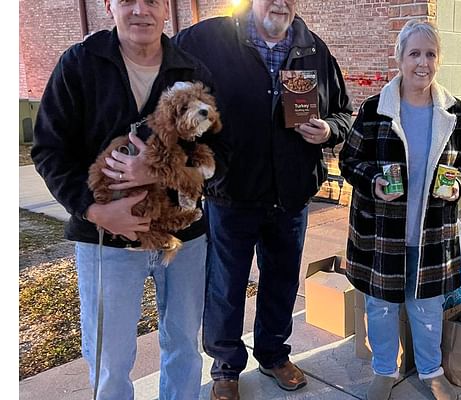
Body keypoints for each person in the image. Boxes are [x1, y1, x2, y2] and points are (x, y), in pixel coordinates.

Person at [31, 0, 213, 398]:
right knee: (110, 358)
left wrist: (166, 171)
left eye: (152, 1)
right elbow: (48, 149)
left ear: (166, 8)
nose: (140, 10)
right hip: (106, 240)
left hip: (184, 238)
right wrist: (94, 210)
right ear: (108, 5)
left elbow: (223, 151)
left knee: (185, 345)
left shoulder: (192, 70)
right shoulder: (79, 64)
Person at [173, 0, 354, 398]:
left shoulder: (313, 49)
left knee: (282, 281)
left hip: (290, 194)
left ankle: (273, 354)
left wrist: (328, 131)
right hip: (232, 194)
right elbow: (162, 70)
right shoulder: (210, 39)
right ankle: (225, 368)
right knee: (226, 285)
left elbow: (344, 113)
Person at [339, 19, 461, 400]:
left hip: (432, 231)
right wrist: (373, 181)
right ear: (399, 58)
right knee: (381, 307)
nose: (423, 62)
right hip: (382, 231)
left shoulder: (454, 111)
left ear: (439, 60)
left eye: (430, 54)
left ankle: (432, 372)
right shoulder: (374, 109)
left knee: (427, 307)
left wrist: (459, 184)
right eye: (414, 53)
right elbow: (349, 160)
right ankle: (385, 370)